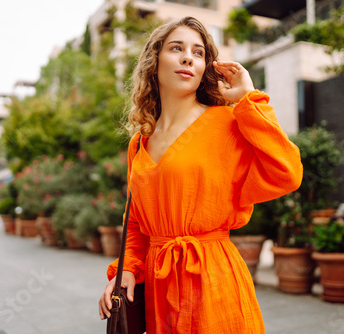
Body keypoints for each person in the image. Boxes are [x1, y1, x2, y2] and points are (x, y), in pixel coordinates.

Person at [99, 16, 303, 333]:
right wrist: (126, 270)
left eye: (198, 53)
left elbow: (287, 172)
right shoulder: (141, 140)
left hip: (213, 281)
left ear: (205, 66)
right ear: (154, 61)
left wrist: (249, 100)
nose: (187, 58)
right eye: (176, 48)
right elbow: (136, 220)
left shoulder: (228, 122)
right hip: (159, 289)